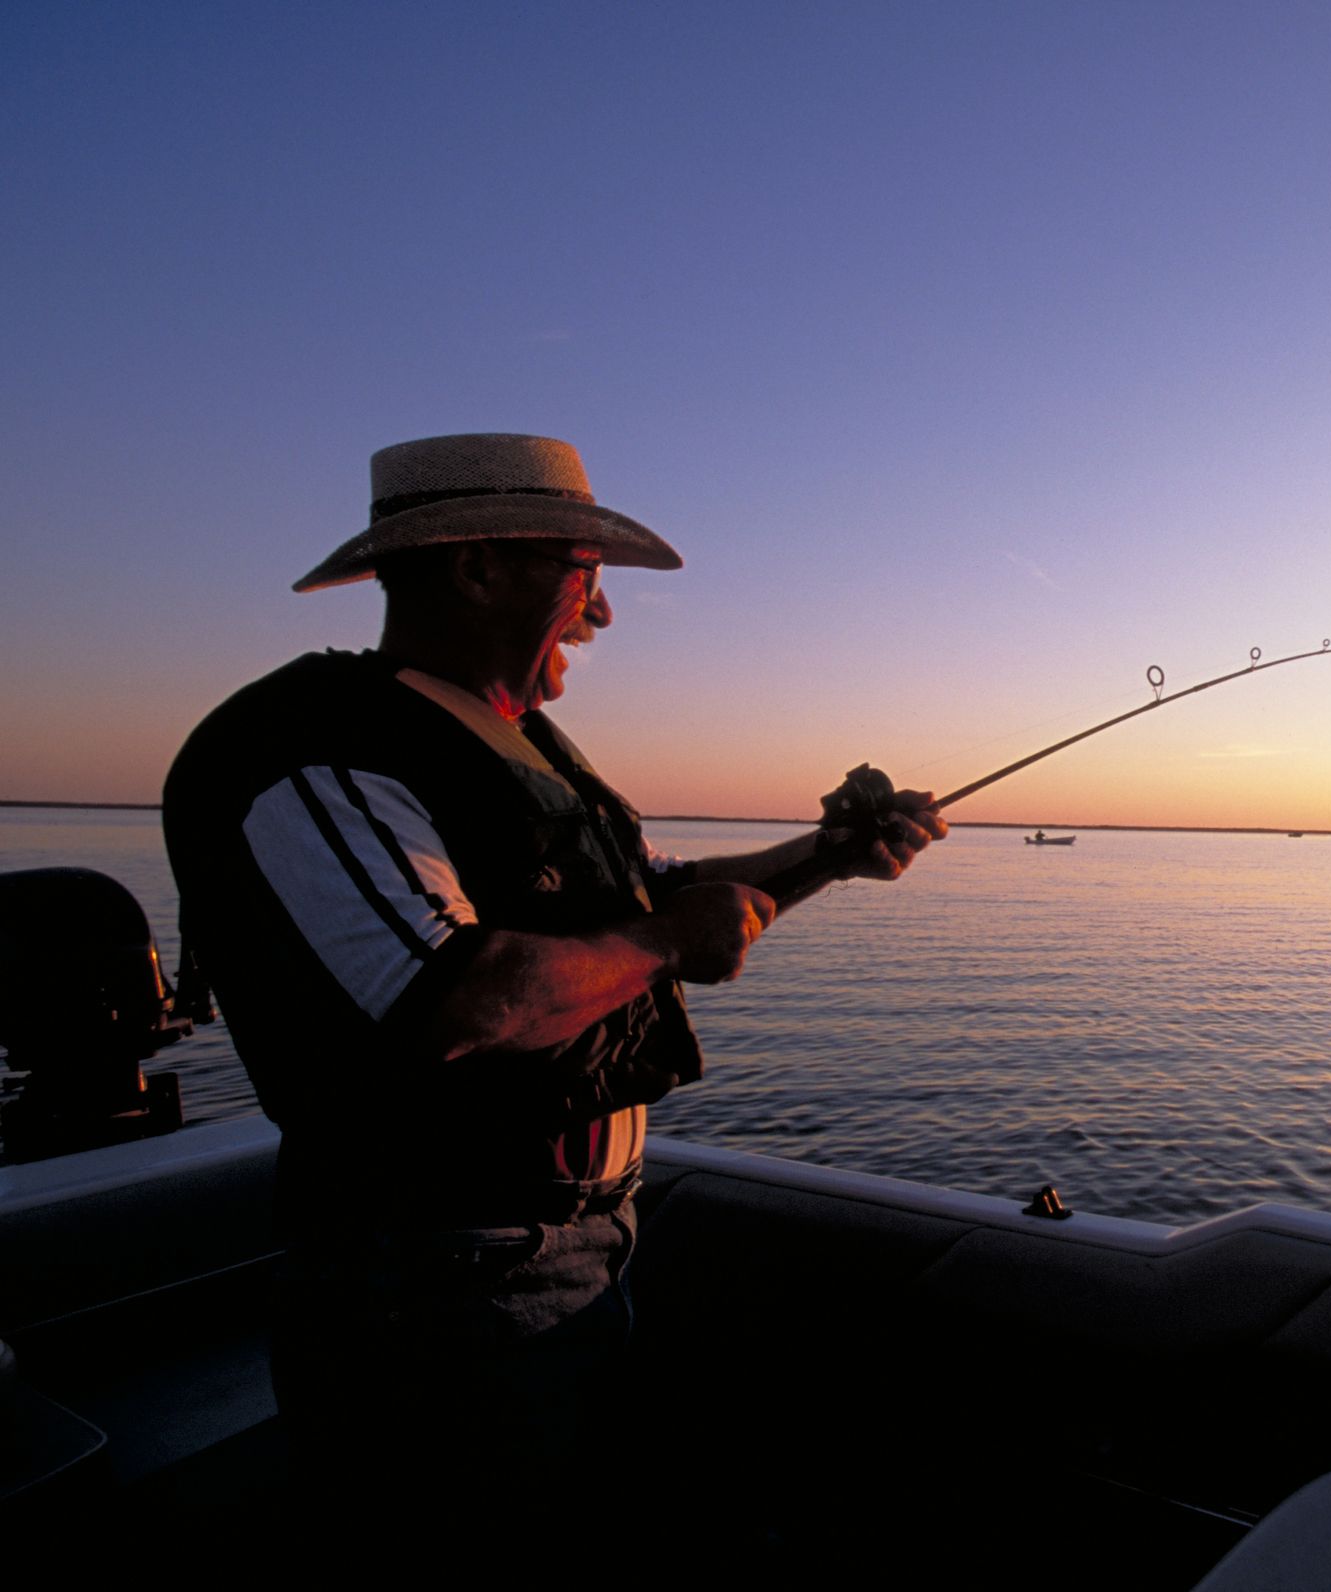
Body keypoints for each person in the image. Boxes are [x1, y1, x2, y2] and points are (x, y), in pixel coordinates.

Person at [161, 432, 944, 1537]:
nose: (603, 613)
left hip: (571, 1255)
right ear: (477, 567)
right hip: (433, 1288)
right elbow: (452, 996)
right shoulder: (314, 745)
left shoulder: (518, 743)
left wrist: (828, 856)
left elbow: (653, 891)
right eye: (584, 572)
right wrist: (669, 943)